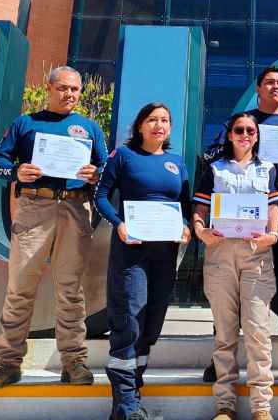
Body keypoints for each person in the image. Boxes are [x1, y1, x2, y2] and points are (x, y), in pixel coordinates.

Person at [0, 66, 107, 388]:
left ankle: (74, 362)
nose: (69, 94)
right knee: (20, 288)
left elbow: (107, 169)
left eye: (75, 89)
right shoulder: (26, 123)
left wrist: (96, 175)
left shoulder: (89, 128)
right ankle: (7, 363)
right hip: (35, 208)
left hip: (76, 208)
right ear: (49, 88)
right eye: (63, 88)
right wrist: (17, 172)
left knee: (71, 290)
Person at [202, 66, 278, 382]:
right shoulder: (242, 121)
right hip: (239, 222)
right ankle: (219, 362)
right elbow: (212, 155)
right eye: (269, 82)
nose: (275, 87)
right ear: (258, 88)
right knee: (229, 295)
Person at [94, 103, 192, 420]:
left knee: (151, 324)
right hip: (131, 252)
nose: (158, 125)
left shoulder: (177, 163)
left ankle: (131, 398)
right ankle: (126, 405)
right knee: (129, 322)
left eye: (164, 120)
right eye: (152, 119)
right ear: (140, 125)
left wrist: (186, 227)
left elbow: (185, 206)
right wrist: (119, 224)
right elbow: (100, 196)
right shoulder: (123, 156)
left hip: (165, 254)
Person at [193, 112, 278, 420]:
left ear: (257, 136)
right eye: (239, 130)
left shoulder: (268, 168)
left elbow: (273, 207)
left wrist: (273, 234)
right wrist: (200, 230)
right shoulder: (214, 169)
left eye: (250, 131)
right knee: (225, 334)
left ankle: (261, 407)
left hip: (257, 254)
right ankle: (225, 405)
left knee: (258, 333)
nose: (245, 135)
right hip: (221, 253)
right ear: (230, 135)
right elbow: (200, 207)